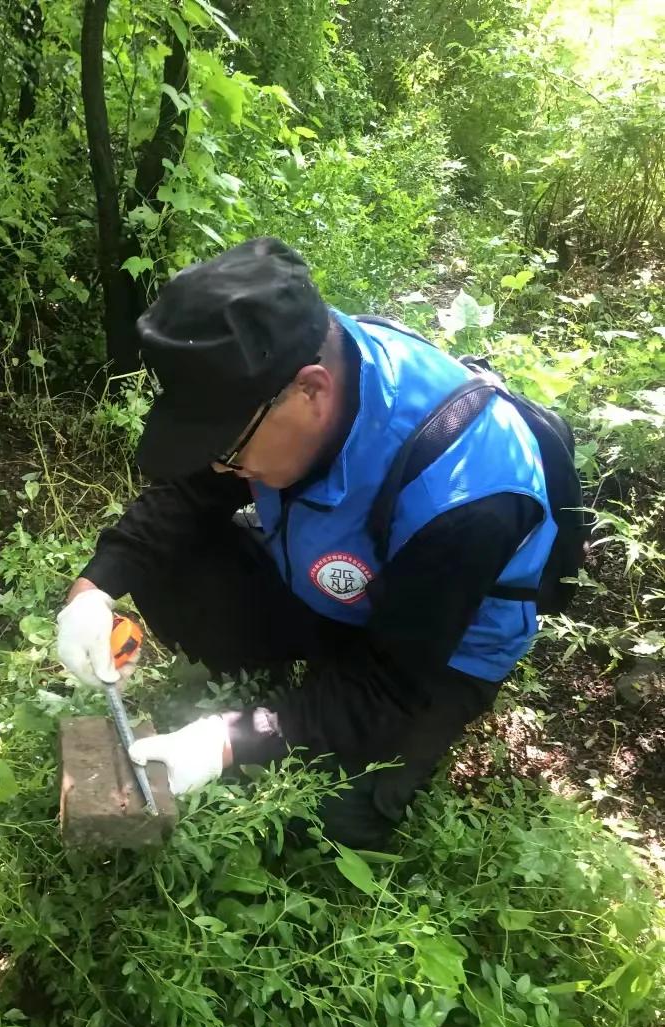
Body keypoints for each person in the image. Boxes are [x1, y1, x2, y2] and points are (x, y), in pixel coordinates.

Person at [57, 237, 555, 849]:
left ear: (312, 391)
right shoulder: (281, 364)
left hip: (428, 651)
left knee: (325, 818)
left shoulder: (468, 498)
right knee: (164, 556)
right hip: (327, 584)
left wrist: (225, 740)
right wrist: (92, 590)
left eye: (229, 451)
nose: (218, 468)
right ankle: (290, 694)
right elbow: (189, 496)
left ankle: (306, 723)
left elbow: (387, 685)